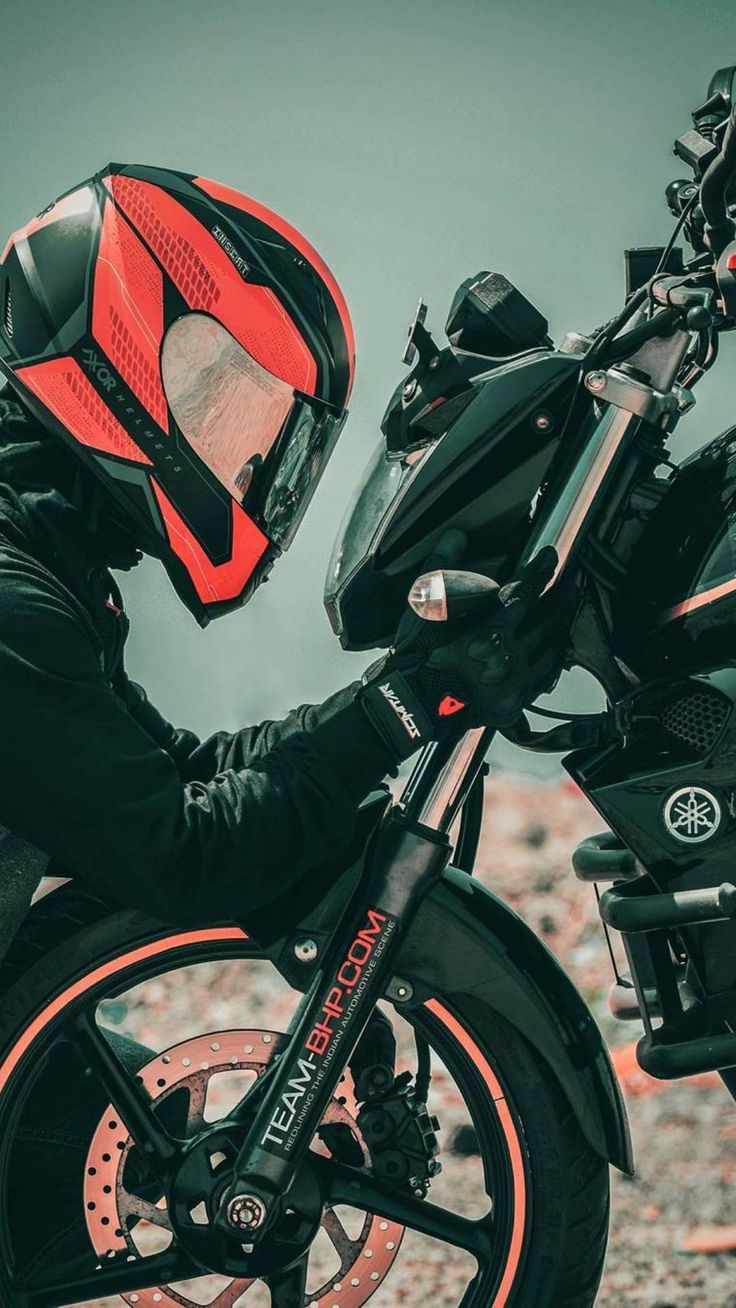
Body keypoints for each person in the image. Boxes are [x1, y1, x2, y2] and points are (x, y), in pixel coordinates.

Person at [0, 163, 560, 951]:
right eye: (217, 405)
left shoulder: (45, 567)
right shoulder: (13, 602)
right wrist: (392, 715)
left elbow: (185, 778)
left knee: (94, 1074)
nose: (246, 467)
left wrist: (393, 694)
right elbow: (180, 856)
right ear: (118, 352)